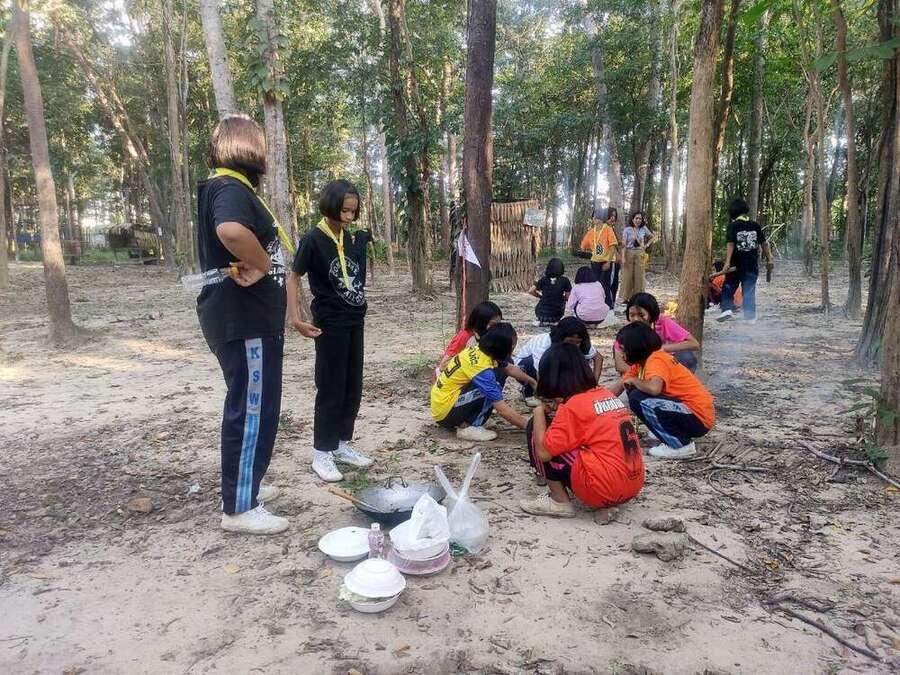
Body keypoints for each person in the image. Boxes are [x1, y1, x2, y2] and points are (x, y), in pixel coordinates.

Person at [198, 114, 305, 535]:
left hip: (249, 319)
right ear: (249, 149)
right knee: (252, 409)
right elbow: (230, 231)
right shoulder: (229, 188)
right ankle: (239, 507)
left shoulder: (230, 187)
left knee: (259, 407)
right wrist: (261, 262)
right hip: (244, 319)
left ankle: (248, 483)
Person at [288, 179, 374, 483]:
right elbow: (294, 278)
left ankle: (340, 444)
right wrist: (295, 318)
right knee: (331, 386)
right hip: (329, 323)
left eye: (353, 211)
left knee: (352, 384)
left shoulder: (350, 238)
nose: (348, 217)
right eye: (344, 211)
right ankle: (321, 452)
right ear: (330, 206)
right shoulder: (313, 239)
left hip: (355, 320)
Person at [519, 343, 644, 518]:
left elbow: (544, 453)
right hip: (632, 485)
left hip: (603, 489)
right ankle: (606, 499)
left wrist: (539, 411)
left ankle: (559, 500)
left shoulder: (572, 407)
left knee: (537, 426)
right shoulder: (605, 394)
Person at [609, 323, 714, 459]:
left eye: (623, 350)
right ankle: (669, 432)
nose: (622, 356)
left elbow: (654, 388)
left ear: (635, 347)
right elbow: (618, 387)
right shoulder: (640, 363)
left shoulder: (656, 359)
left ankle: (680, 446)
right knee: (633, 390)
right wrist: (593, 401)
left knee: (637, 397)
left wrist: (634, 381)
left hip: (698, 416)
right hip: (690, 412)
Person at [431, 323, 529, 442]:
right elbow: (501, 408)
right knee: (492, 386)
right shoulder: (483, 369)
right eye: (513, 345)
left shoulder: (479, 350)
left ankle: (473, 417)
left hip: (441, 404)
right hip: (446, 412)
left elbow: (509, 368)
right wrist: (530, 426)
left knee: (498, 374)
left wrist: (533, 382)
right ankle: (471, 426)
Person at [514, 317, 604, 406]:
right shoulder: (544, 343)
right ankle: (529, 392)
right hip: (526, 367)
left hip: (555, 369)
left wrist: (594, 384)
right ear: (560, 337)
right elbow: (539, 371)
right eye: (570, 341)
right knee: (531, 364)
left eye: (577, 342)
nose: (573, 345)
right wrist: (547, 395)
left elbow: (598, 358)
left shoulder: (582, 344)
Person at [613, 293, 700, 373]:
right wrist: (646, 373)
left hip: (663, 364)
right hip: (640, 372)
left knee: (686, 357)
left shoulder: (662, 322)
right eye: (632, 315)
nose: (636, 319)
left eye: (641, 315)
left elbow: (694, 343)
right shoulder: (627, 333)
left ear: (651, 314)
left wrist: (661, 349)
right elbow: (620, 365)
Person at [718, 198, 773, 323]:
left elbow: (730, 244)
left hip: (735, 266)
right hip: (751, 266)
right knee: (748, 291)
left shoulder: (733, 226)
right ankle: (750, 317)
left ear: (733, 212)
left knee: (728, 287)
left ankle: (726, 309)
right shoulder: (755, 225)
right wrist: (769, 257)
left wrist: (727, 262)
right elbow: (764, 243)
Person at [579, 206, 620, 309]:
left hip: (606, 262)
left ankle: (609, 307)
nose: (595, 219)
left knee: (606, 285)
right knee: (595, 284)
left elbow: (612, 246)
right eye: (594, 217)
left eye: (597, 217)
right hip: (595, 262)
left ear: (602, 218)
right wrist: (588, 248)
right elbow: (583, 246)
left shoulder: (608, 229)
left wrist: (609, 262)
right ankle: (597, 305)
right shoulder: (591, 232)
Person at [619, 211, 656, 302]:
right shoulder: (627, 230)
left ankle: (638, 297)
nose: (638, 220)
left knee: (639, 276)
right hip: (629, 252)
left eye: (640, 218)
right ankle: (626, 297)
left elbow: (652, 237)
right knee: (627, 276)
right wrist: (623, 257)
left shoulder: (644, 229)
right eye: (636, 218)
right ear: (632, 219)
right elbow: (624, 245)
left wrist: (646, 245)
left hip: (640, 253)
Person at [528, 258, 571, 325]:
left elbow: (530, 291)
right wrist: (560, 298)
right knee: (562, 300)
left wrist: (541, 296)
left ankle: (543, 321)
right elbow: (567, 297)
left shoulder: (543, 279)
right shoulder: (565, 280)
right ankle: (555, 320)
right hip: (556, 314)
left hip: (541, 314)